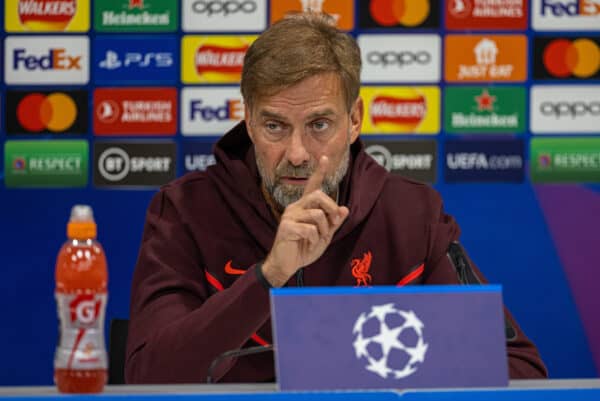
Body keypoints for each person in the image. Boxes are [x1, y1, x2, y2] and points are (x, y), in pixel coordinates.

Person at [125, 12, 547, 383]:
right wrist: (268, 275)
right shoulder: (185, 212)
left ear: (355, 120)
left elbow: (518, 367)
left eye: (319, 125)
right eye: (274, 126)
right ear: (249, 122)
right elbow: (149, 378)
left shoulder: (412, 217)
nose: (297, 153)